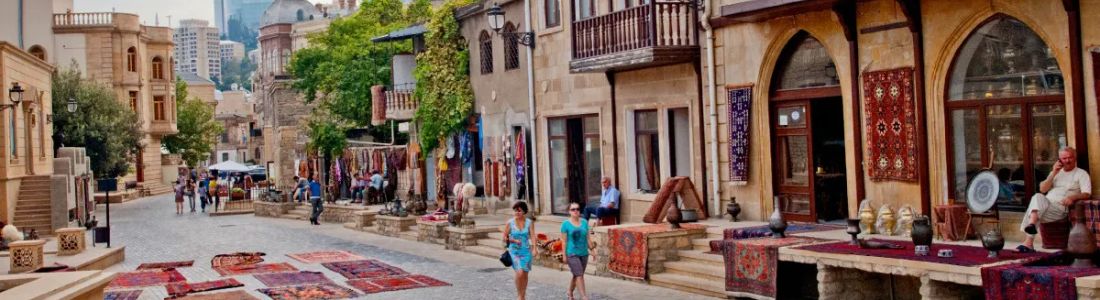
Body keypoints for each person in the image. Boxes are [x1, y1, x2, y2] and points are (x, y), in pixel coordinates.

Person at [1019, 147, 1092, 252]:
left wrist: (1072, 197)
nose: (1067, 160)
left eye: (1070, 157)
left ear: (1075, 158)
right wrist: (1053, 173)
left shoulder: (1081, 174)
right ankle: (1030, 232)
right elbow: (1043, 189)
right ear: (1059, 160)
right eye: (1064, 158)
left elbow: (1087, 193)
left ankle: (1029, 238)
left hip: (1060, 208)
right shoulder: (1056, 173)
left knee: (1035, 210)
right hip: (1046, 204)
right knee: (1037, 197)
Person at [503, 201, 537, 300]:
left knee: (525, 274)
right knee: (520, 273)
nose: (517, 213)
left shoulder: (529, 223)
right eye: (515, 211)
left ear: (524, 211)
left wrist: (534, 248)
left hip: (526, 251)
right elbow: (505, 237)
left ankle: (523, 295)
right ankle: (519, 295)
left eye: (519, 211)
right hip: (514, 252)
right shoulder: (510, 223)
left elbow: (533, 236)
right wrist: (513, 240)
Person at [561, 202, 594, 300]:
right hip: (572, 253)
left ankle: (570, 292)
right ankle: (584, 297)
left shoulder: (584, 222)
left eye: (577, 209)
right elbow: (564, 241)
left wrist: (592, 250)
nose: (576, 211)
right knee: (579, 275)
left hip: (584, 253)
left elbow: (588, 238)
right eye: (573, 209)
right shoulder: (565, 224)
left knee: (577, 274)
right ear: (569, 212)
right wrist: (564, 255)